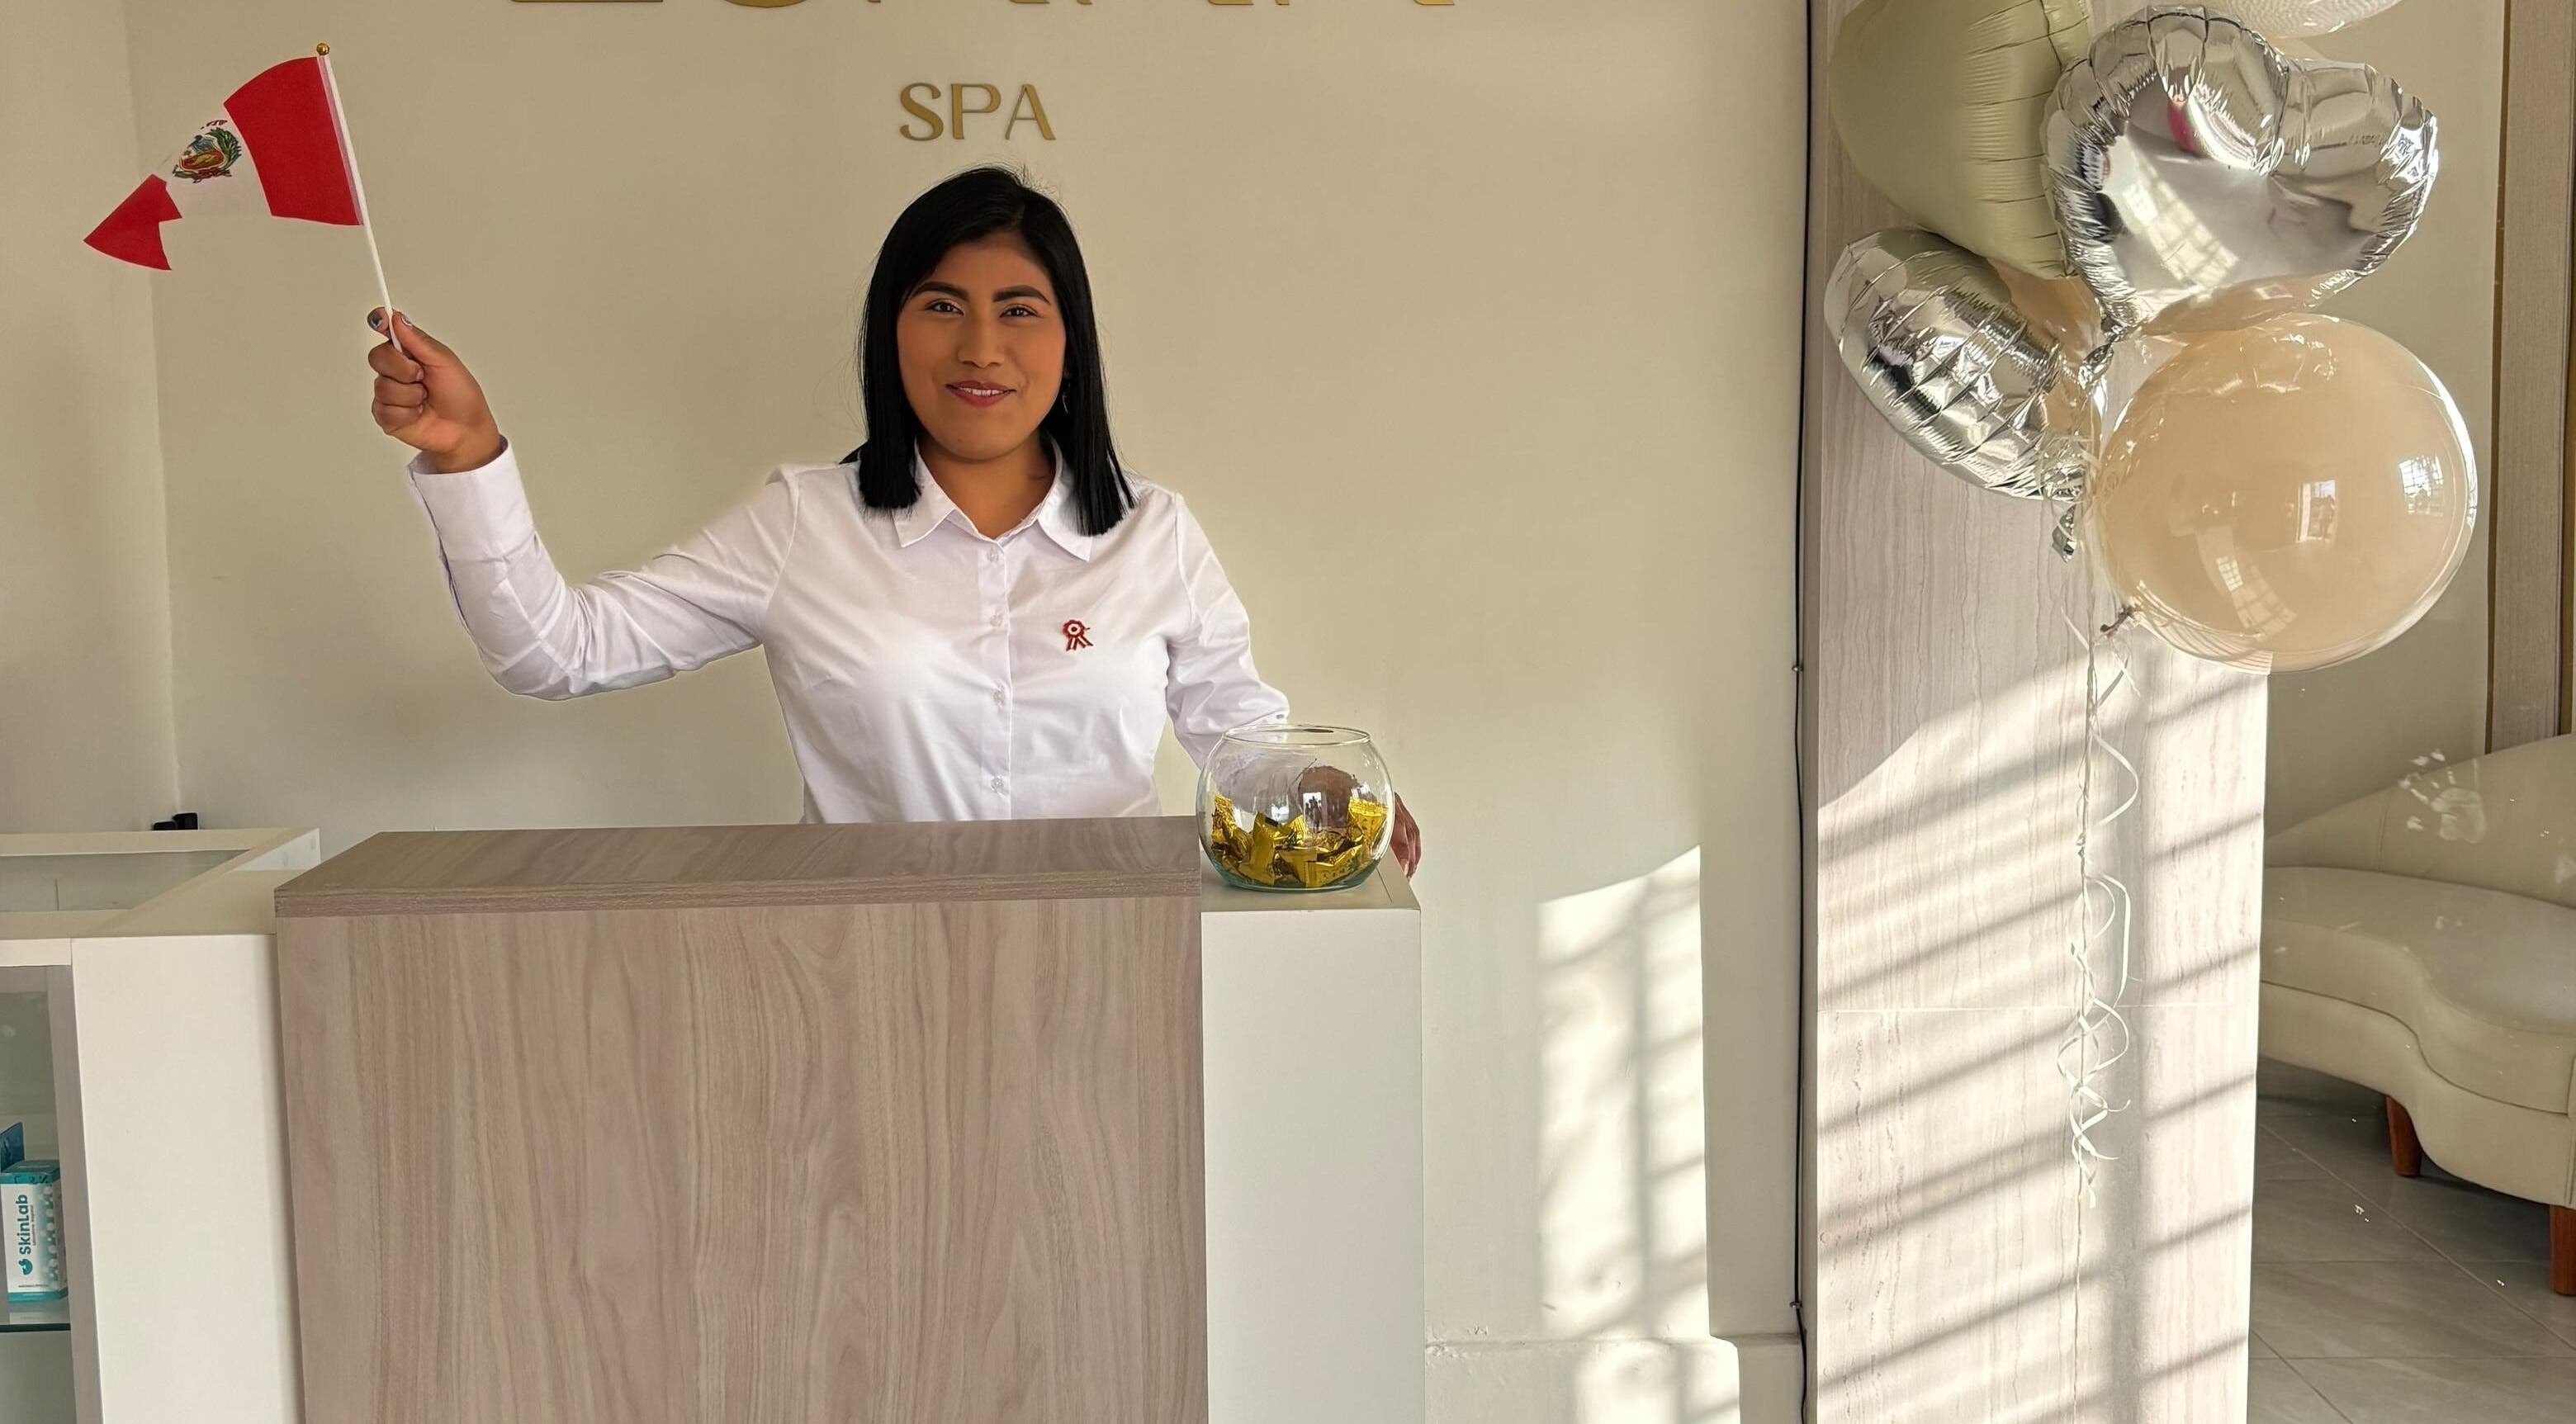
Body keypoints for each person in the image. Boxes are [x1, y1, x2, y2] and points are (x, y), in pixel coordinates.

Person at [363, 165, 1420, 872]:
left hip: (1113, 958)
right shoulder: (801, 525)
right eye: (941, 306)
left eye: (1019, 310)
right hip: (862, 968)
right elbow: (555, 653)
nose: (980, 350)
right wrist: (469, 458)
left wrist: (1325, 785)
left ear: (1069, 341)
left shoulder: (1154, 535)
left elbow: (1238, 736)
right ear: (892, 330)